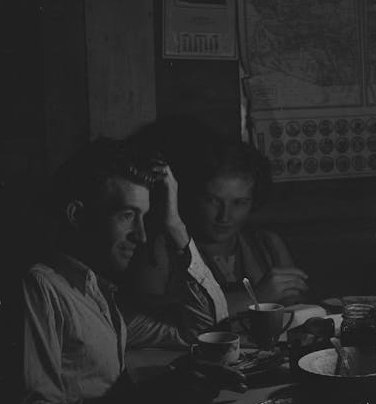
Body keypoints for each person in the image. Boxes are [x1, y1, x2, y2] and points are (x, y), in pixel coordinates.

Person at [19, 138, 242, 404]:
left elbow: (206, 330)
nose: (141, 235)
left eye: (144, 217)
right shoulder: (41, 287)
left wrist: (174, 225)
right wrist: (147, 398)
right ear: (77, 215)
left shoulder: (95, 291)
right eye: (126, 215)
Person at [127, 123, 310, 316]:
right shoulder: (162, 248)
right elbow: (151, 317)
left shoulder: (268, 245)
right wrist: (256, 297)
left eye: (239, 202)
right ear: (194, 195)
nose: (225, 216)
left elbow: (298, 309)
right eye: (213, 200)